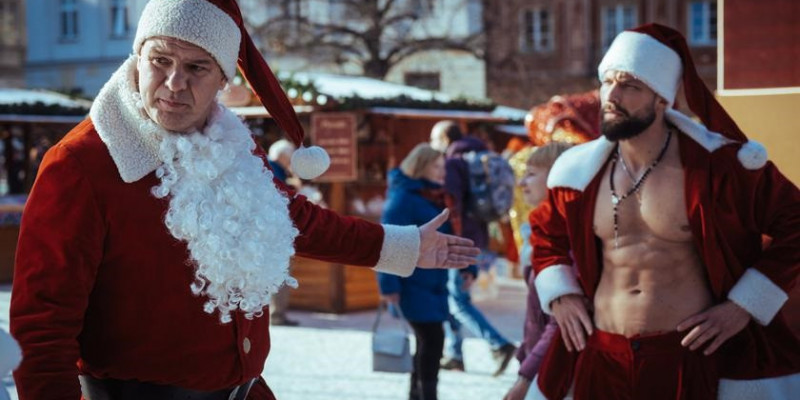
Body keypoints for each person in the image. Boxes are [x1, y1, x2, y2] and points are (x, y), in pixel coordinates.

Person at [8, 1, 479, 399]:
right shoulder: (80, 164)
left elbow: (297, 220)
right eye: (160, 61)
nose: (175, 84)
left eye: (196, 68)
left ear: (223, 81)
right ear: (136, 60)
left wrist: (402, 246)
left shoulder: (233, 146)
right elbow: (41, 328)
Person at [528, 24, 799, 399]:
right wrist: (561, 293)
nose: (612, 95)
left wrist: (743, 306)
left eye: (630, 86)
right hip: (601, 354)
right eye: (608, 81)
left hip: (683, 357)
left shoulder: (722, 168)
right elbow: (546, 234)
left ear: (661, 99)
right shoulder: (576, 174)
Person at [430, 120, 517, 375]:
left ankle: (499, 344)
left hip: (460, 240)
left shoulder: (454, 163)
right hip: (477, 236)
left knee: (458, 301)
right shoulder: (477, 157)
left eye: (434, 139)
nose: (433, 146)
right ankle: (455, 354)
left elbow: (452, 208)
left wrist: (458, 249)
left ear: (445, 139)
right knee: (454, 296)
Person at [377, 143, 450, 400]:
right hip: (412, 283)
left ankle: (417, 394)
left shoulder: (428, 195)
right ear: (421, 167)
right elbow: (388, 241)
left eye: (444, 166)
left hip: (431, 283)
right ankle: (427, 395)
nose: (443, 172)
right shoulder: (404, 197)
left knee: (427, 342)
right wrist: (389, 286)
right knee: (432, 339)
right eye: (437, 166)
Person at [503, 142, 572, 400]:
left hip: (558, 373)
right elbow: (537, 314)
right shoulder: (542, 230)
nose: (522, 184)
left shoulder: (567, 237)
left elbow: (561, 322)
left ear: (557, 176)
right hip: (542, 365)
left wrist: (526, 375)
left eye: (531, 174)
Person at [266, 139, 299, 326]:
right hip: (274, 234)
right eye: (290, 158)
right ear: (283, 156)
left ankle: (276, 314)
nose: (291, 162)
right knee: (280, 274)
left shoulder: (268, 168)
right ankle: (277, 314)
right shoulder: (274, 171)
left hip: (270, 232)